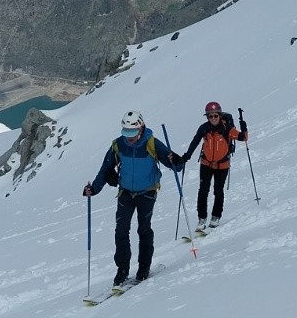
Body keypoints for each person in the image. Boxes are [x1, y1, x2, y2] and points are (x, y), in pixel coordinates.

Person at [82, 110, 185, 287]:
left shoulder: (152, 143)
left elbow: (174, 165)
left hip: (147, 192)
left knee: (144, 229)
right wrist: (94, 189)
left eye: (132, 132)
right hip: (126, 193)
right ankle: (122, 270)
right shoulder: (118, 145)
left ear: (141, 128)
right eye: (126, 132)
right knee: (121, 231)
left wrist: (177, 161)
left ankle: (143, 268)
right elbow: (105, 169)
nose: (129, 137)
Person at [182, 101, 243, 228]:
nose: (213, 118)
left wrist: (244, 127)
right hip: (206, 164)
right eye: (210, 116)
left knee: (218, 190)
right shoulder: (204, 128)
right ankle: (202, 218)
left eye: (216, 115)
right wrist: (187, 155)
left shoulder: (228, 129)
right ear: (207, 117)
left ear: (220, 115)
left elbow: (243, 137)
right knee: (203, 191)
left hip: (222, 165)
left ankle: (216, 216)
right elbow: (195, 142)